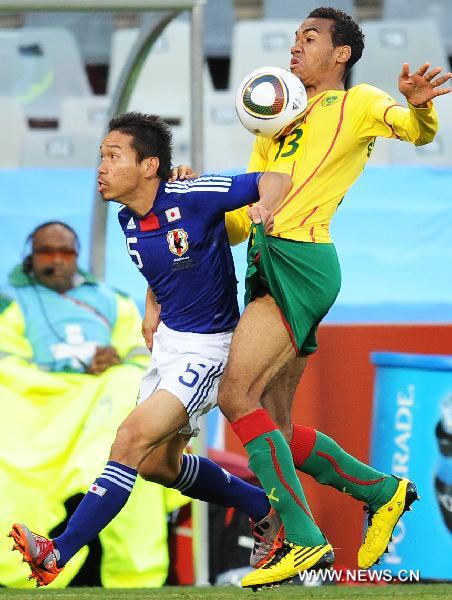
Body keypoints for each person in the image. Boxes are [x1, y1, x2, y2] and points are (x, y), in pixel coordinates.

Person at [174, 6, 452, 589]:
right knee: (271, 421)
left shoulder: (358, 103)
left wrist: (421, 105)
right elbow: (244, 223)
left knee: (235, 394)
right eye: (294, 38)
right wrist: (198, 201)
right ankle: (382, 491)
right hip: (265, 262)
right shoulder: (274, 123)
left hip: (303, 262)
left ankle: (302, 540)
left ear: (342, 54)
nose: (295, 48)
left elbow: (414, 130)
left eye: (309, 38)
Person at [9, 112, 292, 587]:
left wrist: (264, 211)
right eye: (102, 156)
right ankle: (263, 508)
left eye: (113, 156)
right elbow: (168, 267)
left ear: (149, 166)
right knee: (160, 467)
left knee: (128, 441)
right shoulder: (128, 219)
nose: (101, 166)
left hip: (208, 349)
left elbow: (276, 177)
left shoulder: (195, 196)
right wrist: (151, 307)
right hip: (168, 348)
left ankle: (57, 550)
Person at [0, 221, 189, 588]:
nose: (57, 261)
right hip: (41, 404)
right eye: (46, 253)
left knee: (131, 389)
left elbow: (144, 355)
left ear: (77, 256)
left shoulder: (111, 300)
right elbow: (6, 362)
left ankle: (134, 573)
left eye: (66, 252)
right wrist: (62, 372)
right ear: (30, 257)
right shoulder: (10, 302)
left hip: (102, 404)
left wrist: (116, 360)